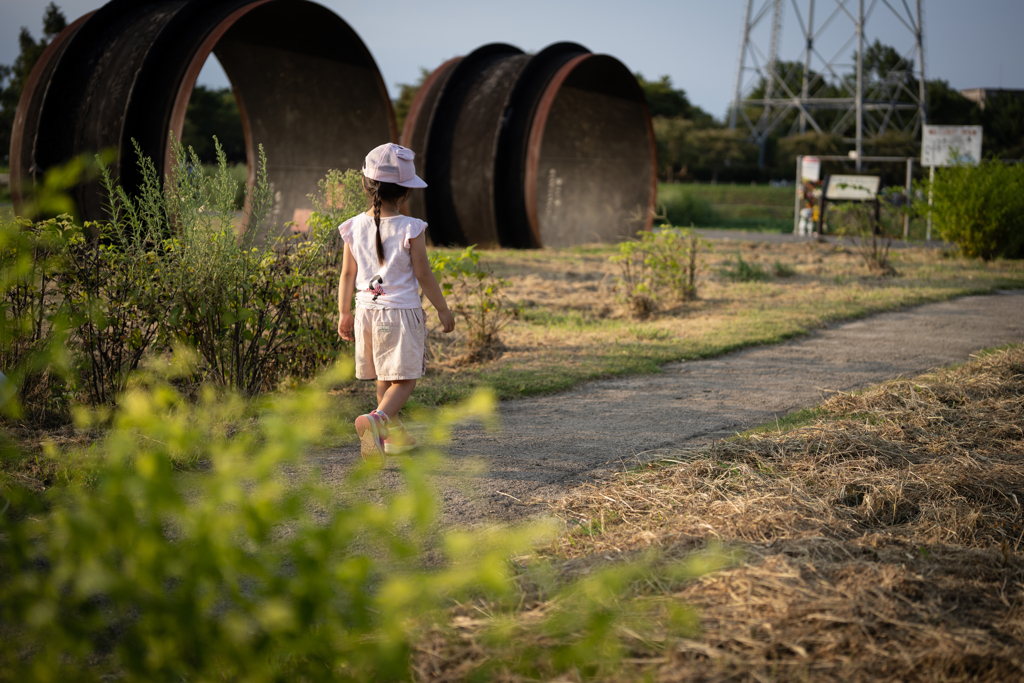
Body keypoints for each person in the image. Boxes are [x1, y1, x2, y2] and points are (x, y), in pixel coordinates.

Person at [337, 143, 456, 467]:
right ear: (404, 192)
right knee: (405, 379)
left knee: (384, 375)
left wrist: (343, 312)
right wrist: (443, 308)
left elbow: (348, 273)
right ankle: (377, 419)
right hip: (400, 313)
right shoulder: (410, 227)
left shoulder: (352, 226)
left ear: (366, 184)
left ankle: (393, 436)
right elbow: (423, 273)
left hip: (366, 311)